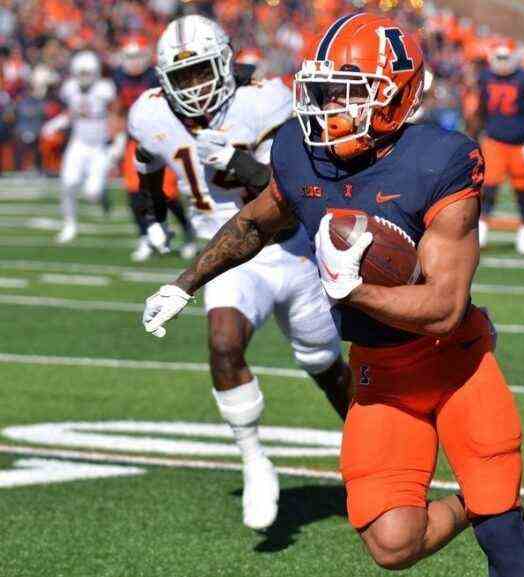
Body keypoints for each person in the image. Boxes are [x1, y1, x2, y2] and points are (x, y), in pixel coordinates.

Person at [141, 13, 524, 576]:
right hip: (380, 373)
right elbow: (255, 223)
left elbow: (445, 308)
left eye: (349, 94)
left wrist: (353, 292)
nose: (330, 108)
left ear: (396, 97)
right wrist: (184, 284)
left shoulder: (440, 161)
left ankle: (499, 514)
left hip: (454, 363)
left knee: (502, 528)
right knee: (392, 544)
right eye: (326, 92)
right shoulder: (302, 152)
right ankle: (477, 507)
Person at [129, 15, 351, 529]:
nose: (194, 87)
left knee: (324, 363)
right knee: (224, 343)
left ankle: (371, 456)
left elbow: (306, 181)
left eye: (202, 72)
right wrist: (152, 217)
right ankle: (253, 458)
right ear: (163, 82)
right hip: (227, 255)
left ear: (226, 64)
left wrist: (243, 165)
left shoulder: (264, 98)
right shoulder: (149, 114)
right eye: (181, 79)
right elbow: (147, 162)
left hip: (290, 245)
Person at [113, 35, 197, 262]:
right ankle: (145, 237)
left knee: (167, 193)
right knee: (134, 193)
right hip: (135, 139)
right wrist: (118, 138)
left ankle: (188, 232)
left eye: (136, 55)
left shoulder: (156, 76)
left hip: (163, 138)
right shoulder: (118, 77)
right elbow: (119, 108)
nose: (133, 61)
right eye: (129, 56)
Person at [469, 39, 524, 253]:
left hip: (521, 142)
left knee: (523, 189)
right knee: (489, 186)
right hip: (494, 140)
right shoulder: (485, 77)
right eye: (499, 58)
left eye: (506, 58)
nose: (502, 63)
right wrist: (471, 135)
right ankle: (482, 226)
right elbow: (481, 109)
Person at [43, 50, 122, 243]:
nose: (84, 78)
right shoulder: (70, 87)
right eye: (81, 73)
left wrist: (118, 140)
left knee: (92, 193)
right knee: (68, 183)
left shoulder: (105, 88)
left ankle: (101, 197)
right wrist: (57, 122)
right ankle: (69, 224)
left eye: (88, 73)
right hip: (78, 143)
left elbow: (116, 115)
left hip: (99, 146)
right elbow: (71, 112)